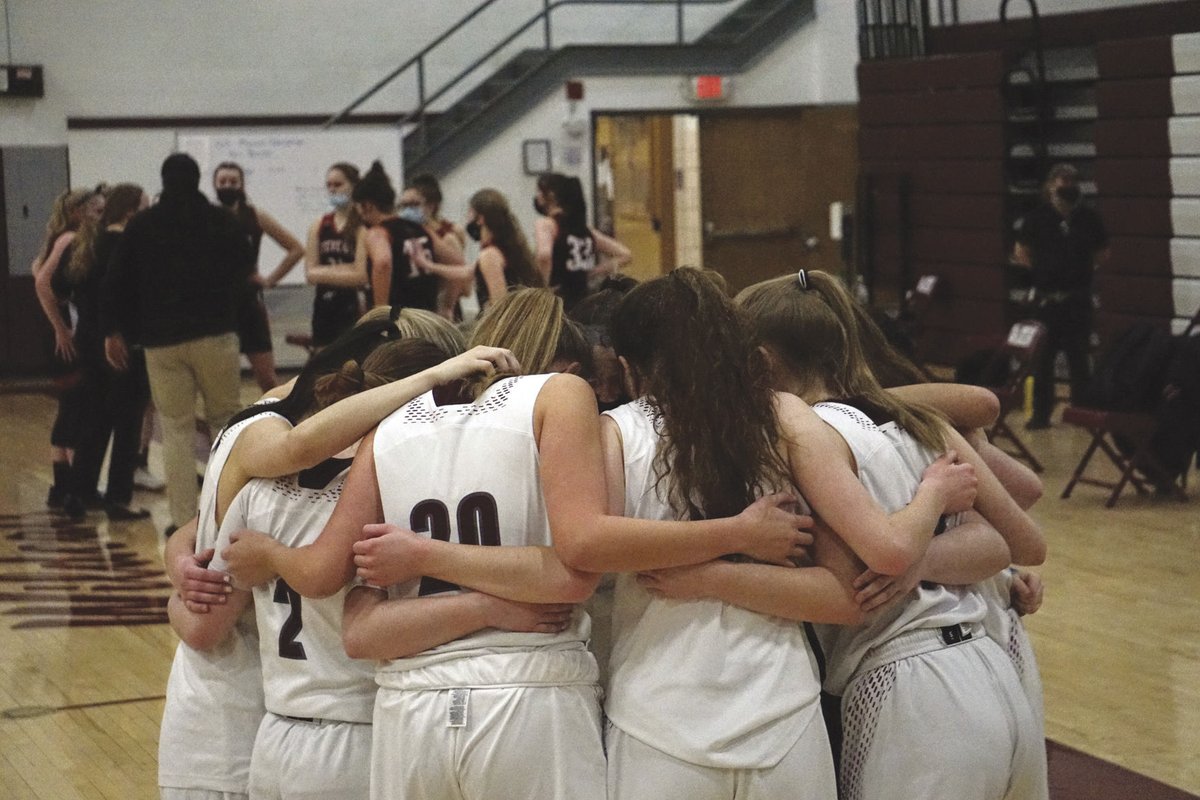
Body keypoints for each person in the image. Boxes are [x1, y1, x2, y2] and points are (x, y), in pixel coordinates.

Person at [220, 288, 811, 800]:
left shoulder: (390, 427)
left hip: (410, 708)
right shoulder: (559, 398)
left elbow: (355, 625)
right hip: (530, 695)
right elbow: (573, 570)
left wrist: (418, 560)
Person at [159, 318, 518, 800]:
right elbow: (326, 579)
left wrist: (178, 568)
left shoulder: (256, 472)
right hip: (342, 728)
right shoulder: (384, 491)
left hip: (272, 732)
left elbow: (205, 528)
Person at [732, 269, 1048, 800]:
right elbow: (1022, 542)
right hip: (996, 672)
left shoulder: (801, 442)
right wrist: (927, 550)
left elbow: (858, 582)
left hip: (910, 691)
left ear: (760, 363)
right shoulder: (922, 419)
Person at [102, 152, 251, 538]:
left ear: (163, 181)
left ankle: (184, 521)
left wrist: (117, 330)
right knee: (225, 422)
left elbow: (116, 282)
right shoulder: (222, 221)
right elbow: (244, 273)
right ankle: (229, 512)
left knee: (176, 429)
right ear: (199, 179)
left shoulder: (142, 225)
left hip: (160, 340)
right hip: (215, 334)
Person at [50, 184, 153, 520]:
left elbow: (58, 287)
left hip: (89, 342)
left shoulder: (86, 242)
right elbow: (130, 295)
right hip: (122, 343)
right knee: (127, 421)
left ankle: (79, 492)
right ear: (130, 211)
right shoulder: (127, 244)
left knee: (94, 419)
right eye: (145, 206)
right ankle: (117, 498)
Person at [1013, 163, 1110, 429]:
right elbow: (1021, 253)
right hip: (1047, 301)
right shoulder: (1036, 218)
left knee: (1079, 358)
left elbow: (1102, 255)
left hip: (1077, 300)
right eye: (1061, 180)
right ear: (1049, 185)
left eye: (1071, 180)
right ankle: (1042, 414)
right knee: (1042, 360)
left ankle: (1082, 412)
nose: (1067, 185)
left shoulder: (1089, 219)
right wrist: (1047, 270)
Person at [32, 187, 105, 510]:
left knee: (70, 407)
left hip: (62, 330)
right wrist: (60, 327)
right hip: (64, 333)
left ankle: (61, 487)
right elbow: (41, 282)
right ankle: (72, 485)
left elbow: (39, 271)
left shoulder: (58, 237)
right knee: (77, 408)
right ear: (78, 211)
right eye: (95, 210)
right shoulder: (68, 239)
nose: (99, 216)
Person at [213, 161, 306, 392]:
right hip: (218, 306)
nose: (228, 186)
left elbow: (296, 248)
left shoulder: (255, 215)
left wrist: (270, 280)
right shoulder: (208, 216)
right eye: (222, 181)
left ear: (242, 185)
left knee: (267, 379)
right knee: (221, 382)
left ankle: (281, 420)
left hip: (249, 303)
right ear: (214, 185)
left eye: (233, 182)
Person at [410, 188, 544, 314]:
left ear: (480, 219)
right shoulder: (502, 248)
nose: (466, 218)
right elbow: (467, 272)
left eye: (469, 212)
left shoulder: (490, 255)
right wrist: (428, 266)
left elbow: (499, 305)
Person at [533, 173, 630, 310]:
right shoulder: (586, 231)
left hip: (557, 298)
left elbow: (544, 255)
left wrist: (541, 288)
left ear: (551, 195)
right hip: (584, 299)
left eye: (539, 191)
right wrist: (596, 271)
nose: (536, 196)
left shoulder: (546, 224)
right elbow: (625, 254)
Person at [353, 162, 439, 313]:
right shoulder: (418, 228)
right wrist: (447, 304)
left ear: (367, 206)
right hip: (427, 317)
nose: (358, 213)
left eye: (358, 208)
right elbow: (456, 261)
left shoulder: (378, 232)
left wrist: (381, 312)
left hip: (400, 319)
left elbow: (383, 262)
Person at [304, 162, 369, 348]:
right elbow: (310, 274)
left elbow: (361, 276)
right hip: (325, 305)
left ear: (354, 186)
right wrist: (348, 269)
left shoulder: (362, 224)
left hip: (355, 304)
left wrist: (324, 272)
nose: (332, 189)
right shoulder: (319, 224)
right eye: (329, 185)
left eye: (338, 184)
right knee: (324, 369)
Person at [398, 173, 469, 319]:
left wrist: (446, 305)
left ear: (431, 206)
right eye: (404, 205)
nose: (407, 210)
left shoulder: (448, 235)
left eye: (414, 205)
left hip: (442, 310)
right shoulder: (404, 234)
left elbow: (465, 286)